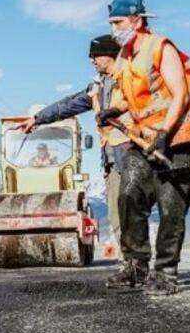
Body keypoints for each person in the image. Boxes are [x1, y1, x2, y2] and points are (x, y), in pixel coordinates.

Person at [103, 0, 190, 295]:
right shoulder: (124, 55)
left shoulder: (161, 47)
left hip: (175, 139)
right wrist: (114, 110)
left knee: (172, 207)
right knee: (129, 194)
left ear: (137, 19)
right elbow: (128, 95)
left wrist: (164, 134)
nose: (114, 29)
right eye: (112, 24)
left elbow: (180, 95)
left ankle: (166, 272)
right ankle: (136, 265)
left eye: (118, 23)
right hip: (143, 139)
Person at [17, 34, 132, 246]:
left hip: (134, 155)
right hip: (112, 160)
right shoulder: (97, 87)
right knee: (117, 216)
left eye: (95, 55)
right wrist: (38, 118)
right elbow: (69, 104)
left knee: (134, 214)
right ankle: (131, 266)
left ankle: (150, 265)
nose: (91, 61)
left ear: (109, 55)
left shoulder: (130, 78)